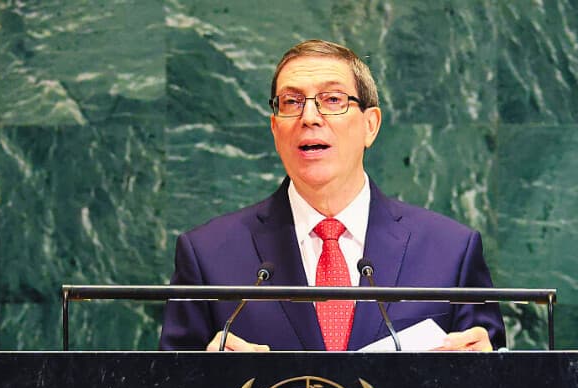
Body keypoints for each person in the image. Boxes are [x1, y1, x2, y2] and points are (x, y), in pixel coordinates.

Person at [160, 39, 505, 352]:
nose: (309, 117)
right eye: (291, 102)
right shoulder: (207, 256)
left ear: (371, 125)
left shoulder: (451, 252)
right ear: (275, 128)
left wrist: (484, 375)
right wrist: (204, 379)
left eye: (333, 100)